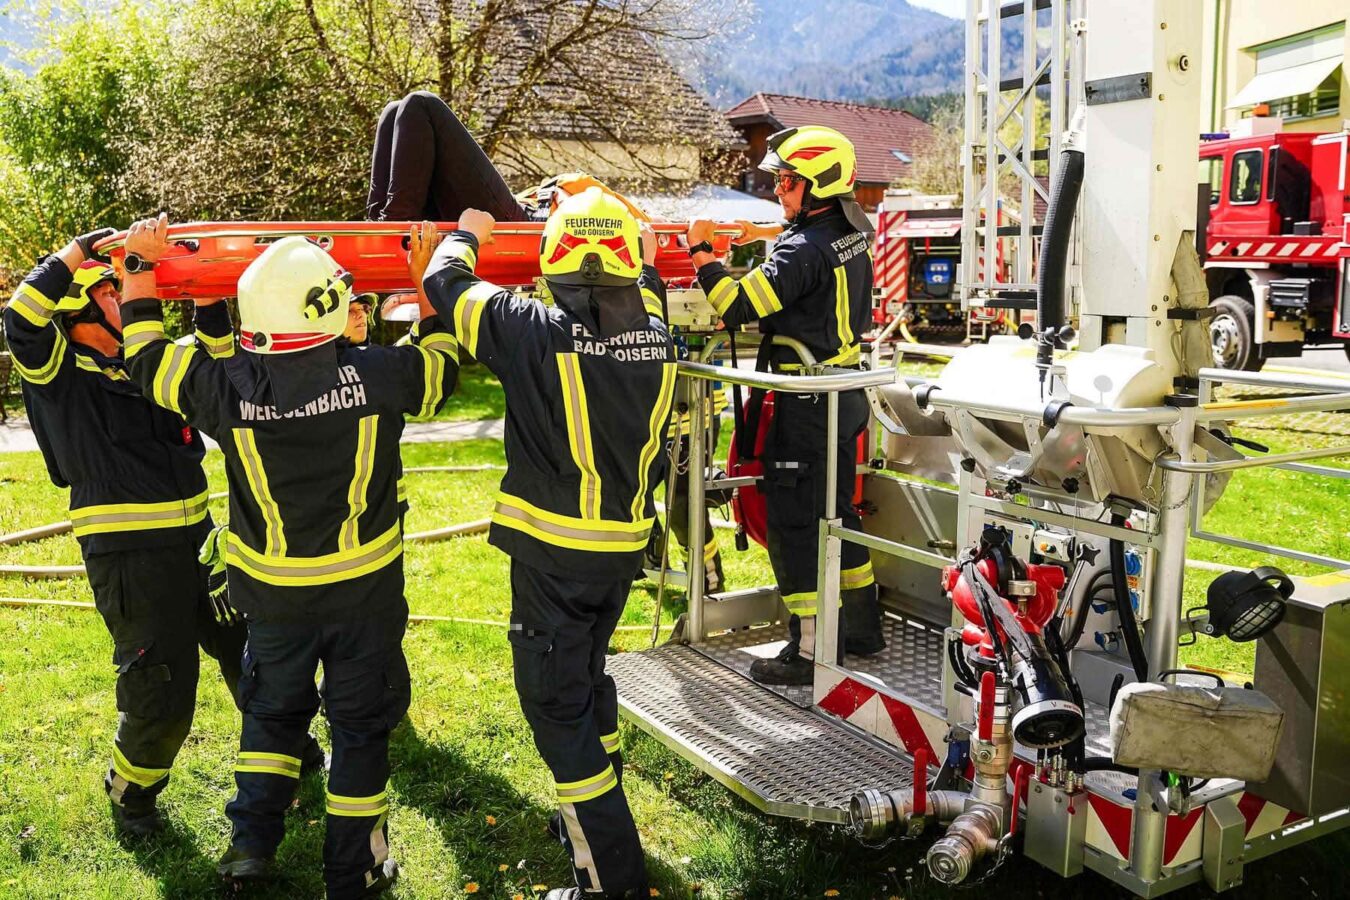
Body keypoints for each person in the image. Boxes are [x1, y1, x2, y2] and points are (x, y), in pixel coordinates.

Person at [119, 214, 458, 898]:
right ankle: (354, 870)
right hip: (365, 596)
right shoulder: (380, 374)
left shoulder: (222, 387)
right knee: (360, 729)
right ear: (331, 307)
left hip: (272, 600)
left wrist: (138, 265)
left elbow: (146, 356)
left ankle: (250, 849)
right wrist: (427, 278)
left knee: (272, 718)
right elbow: (441, 364)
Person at [423, 188, 675, 900]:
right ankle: (586, 829)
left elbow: (445, 282)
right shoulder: (656, 329)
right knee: (588, 682)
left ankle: (611, 882)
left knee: (556, 709)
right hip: (618, 553)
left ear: (550, 264)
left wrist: (467, 232)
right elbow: (646, 270)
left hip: (552, 560)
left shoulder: (529, 326)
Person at [0, 229, 277, 837]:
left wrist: (205, 286)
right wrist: (76, 251)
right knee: (162, 688)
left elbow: (218, 355)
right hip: (131, 559)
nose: (125, 295)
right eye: (111, 289)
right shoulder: (57, 373)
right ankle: (134, 796)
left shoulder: (147, 360)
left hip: (202, 544)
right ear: (76, 312)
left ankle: (290, 757)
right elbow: (19, 317)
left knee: (252, 656)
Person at [686, 125, 885, 686]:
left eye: (787, 180)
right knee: (838, 512)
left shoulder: (802, 249)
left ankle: (811, 651)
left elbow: (736, 305)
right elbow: (811, 250)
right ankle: (862, 627)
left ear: (817, 184)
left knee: (796, 524)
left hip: (805, 406)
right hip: (843, 395)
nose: (777, 188)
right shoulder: (851, 229)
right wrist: (764, 231)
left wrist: (702, 254)